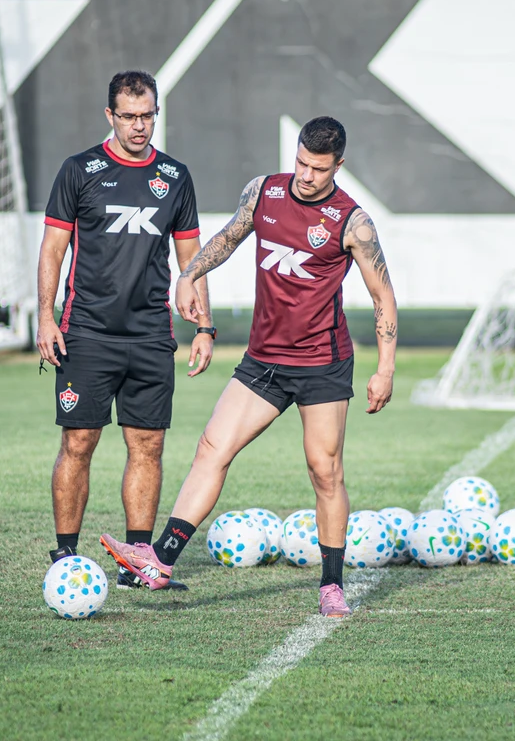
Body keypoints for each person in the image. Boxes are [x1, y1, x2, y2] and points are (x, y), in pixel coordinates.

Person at [98, 116, 398, 617]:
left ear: (337, 166)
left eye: (318, 169)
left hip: (322, 365)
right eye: (301, 162)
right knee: (212, 447)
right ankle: (161, 561)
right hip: (263, 360)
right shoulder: (264, 192)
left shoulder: (353, 222)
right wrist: (190, 273)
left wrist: (385, 369)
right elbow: (229, 237)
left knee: (325, 473)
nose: (305, 175)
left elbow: (383, 296)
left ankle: (331, 585)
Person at [36, 70, 214, 590]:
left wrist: (204, 326)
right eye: (130, 116)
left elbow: (191, 262)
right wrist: (46, 316)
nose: (140, 126)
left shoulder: (175, 177)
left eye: (148, 115)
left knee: (148, 446)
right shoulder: (79, 170)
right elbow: (53, 249)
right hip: (86, 333)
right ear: (109, 115)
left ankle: (138, 560)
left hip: (150, 336)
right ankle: (65, 556)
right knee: (79, 442)